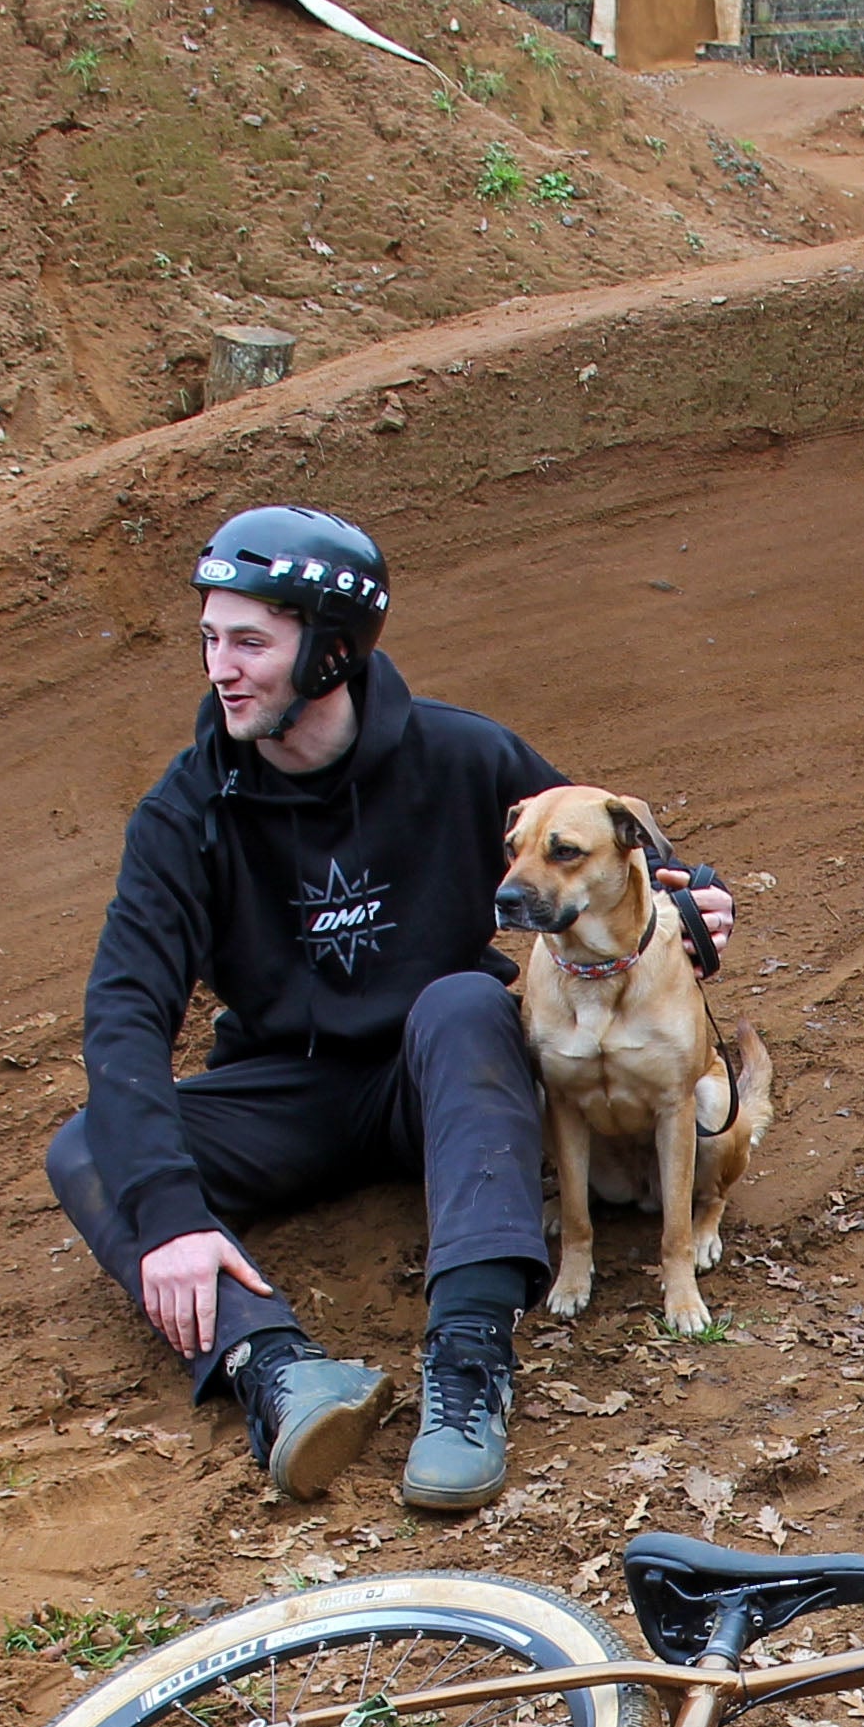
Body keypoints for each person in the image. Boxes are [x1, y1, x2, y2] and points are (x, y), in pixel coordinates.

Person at [46, 505, 733, 1513]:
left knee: (464, 1001)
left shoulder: (462, 756)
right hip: (282, 1088)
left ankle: (467, 1361)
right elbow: (122, 1012)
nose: (220, 668)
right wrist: (171, 1216)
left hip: (440, 1081)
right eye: (209, 640)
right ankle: (276, 1370)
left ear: (327, 650)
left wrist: (689, 908)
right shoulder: (183, 813)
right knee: (87, 1148)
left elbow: (615, 862)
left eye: (249, 641)